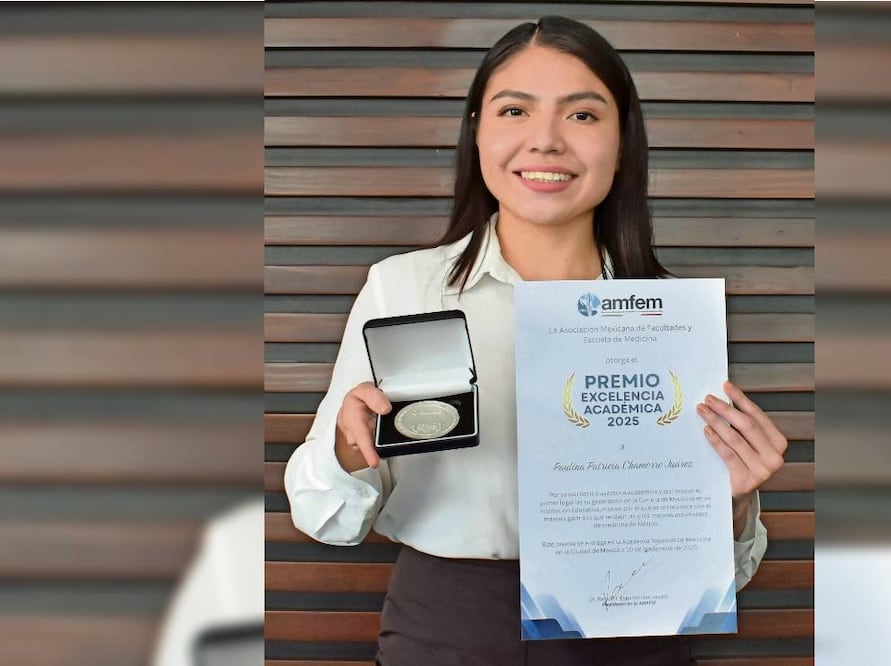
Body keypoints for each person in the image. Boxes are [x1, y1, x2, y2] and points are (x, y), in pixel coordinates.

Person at [284, 16, 788, 666]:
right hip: (449, 625)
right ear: (475, 129)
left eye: (581, 116)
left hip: (634, 626)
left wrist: (736, 502)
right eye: (515, 110)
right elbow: (323, 515)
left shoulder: (670, 320)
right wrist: (350, 450)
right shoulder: (402, 289)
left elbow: (727, 570)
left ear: (622, 139)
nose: (544, 141)